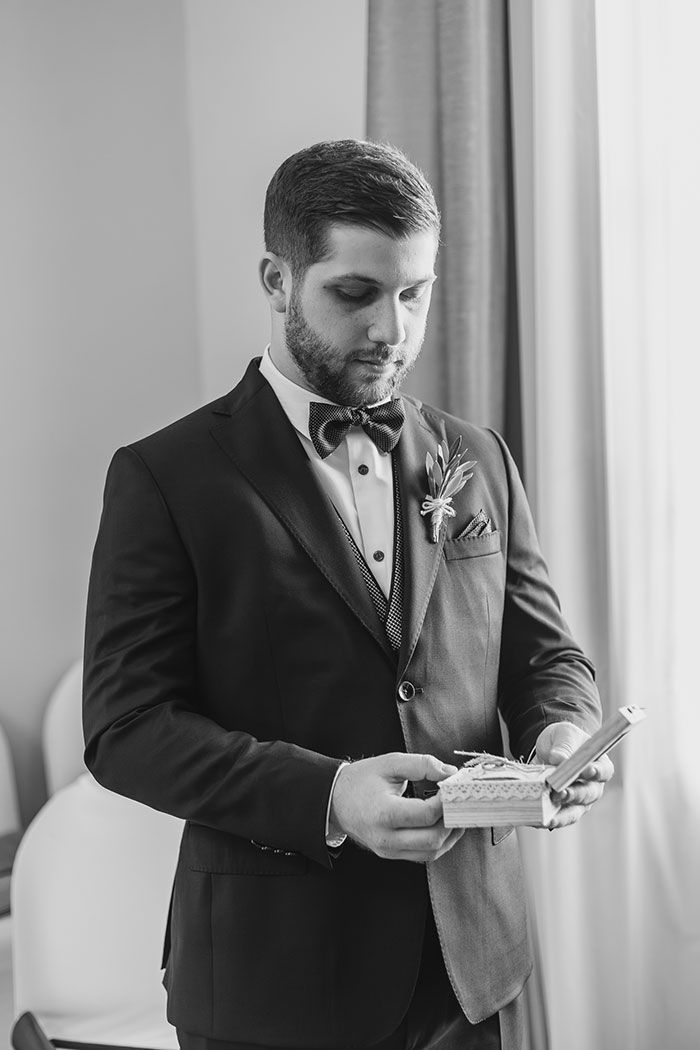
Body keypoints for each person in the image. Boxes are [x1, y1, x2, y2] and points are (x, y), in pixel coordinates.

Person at [82, 139, 613, 1050]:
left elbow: (545, 656)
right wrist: (328, 794)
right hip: (273, 984)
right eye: (356, 293)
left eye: (415, 293)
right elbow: (126, 727)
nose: (392, 330)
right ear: (277, 279)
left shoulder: (477, 455)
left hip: (470, 969)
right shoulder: (164, 477)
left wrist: (562, 731)